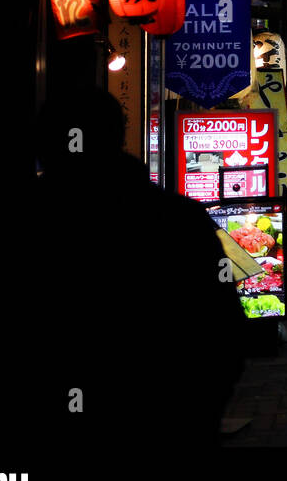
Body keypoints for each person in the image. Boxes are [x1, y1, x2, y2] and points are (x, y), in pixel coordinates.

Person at [19, 87, 246, 448]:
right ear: (120, 135)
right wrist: (198, 416)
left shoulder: (19, 229)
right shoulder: (178, 219)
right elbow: (224, 332)